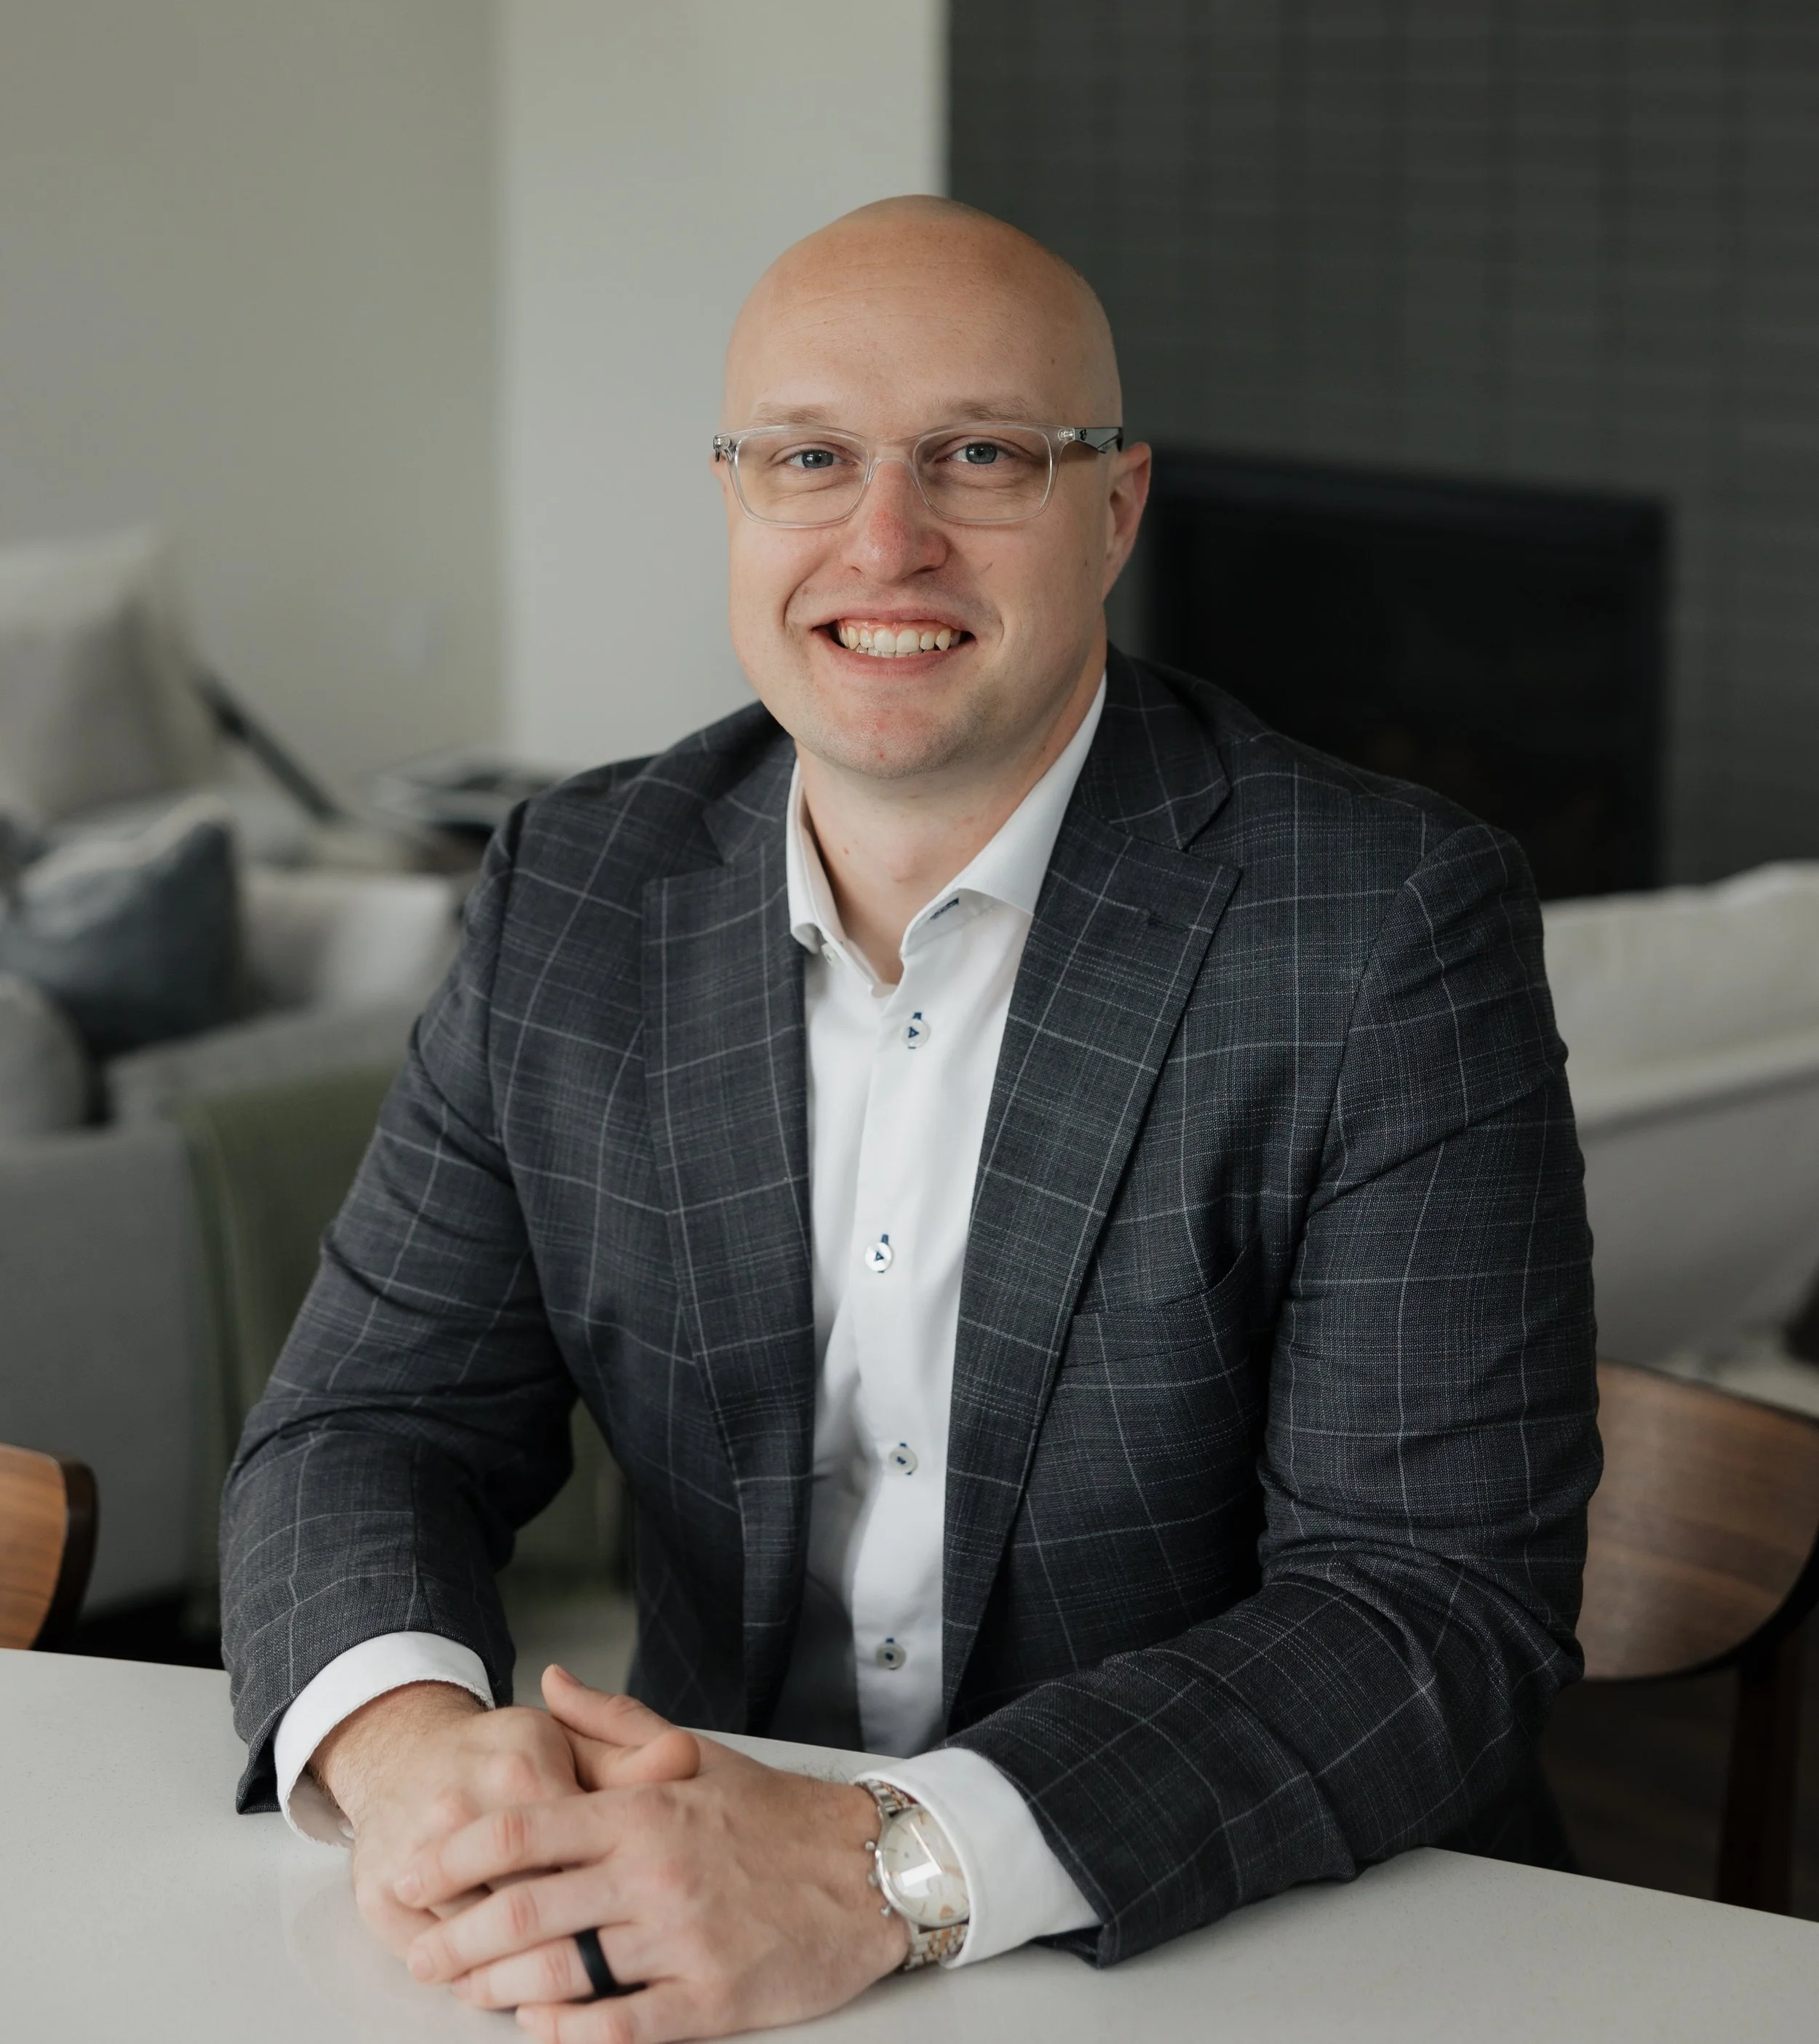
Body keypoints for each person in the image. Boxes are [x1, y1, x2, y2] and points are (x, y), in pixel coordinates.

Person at [222, 197, 1599, 2042]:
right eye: (810, 459)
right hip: (695, 1931)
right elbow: (368, 1421)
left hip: (1237, 1941)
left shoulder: (1378, 924)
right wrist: (417, 1767)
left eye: (979, 456)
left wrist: (877, 1866)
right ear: (734, 497)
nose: (886, 541)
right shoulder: (582, 883)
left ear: (1112, 509)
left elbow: (1427, 1612)